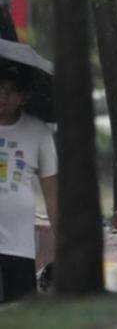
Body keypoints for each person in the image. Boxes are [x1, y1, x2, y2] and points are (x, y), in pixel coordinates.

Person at [0, 72, 56, 304]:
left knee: (19, 315)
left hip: (20, 248)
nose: (1, 96)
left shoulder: (38, 132)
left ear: (22, 97)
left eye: (9, 91)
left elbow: (53, 196)